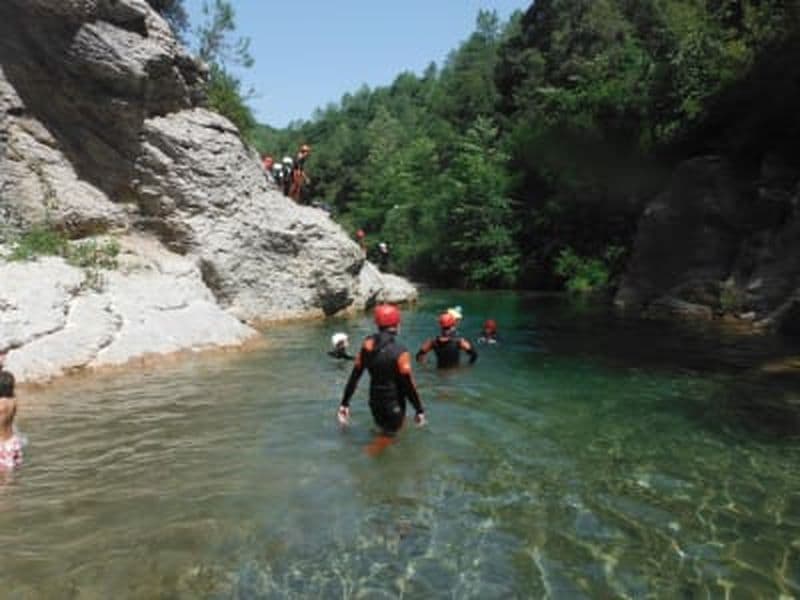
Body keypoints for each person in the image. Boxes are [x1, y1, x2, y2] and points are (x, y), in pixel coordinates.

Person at [337, 304, 426, 434]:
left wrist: (345, 403)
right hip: (393, 402)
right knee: (388, 438)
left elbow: (355, 375)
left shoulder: (367, 345)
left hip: (374, 402)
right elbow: (409, 385)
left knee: (386, 431)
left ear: (377, 324)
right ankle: (368, 452)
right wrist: (419, 410)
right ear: (397, 325)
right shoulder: (400, 352)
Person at [0, 370, 23, 471]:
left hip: (2, 446)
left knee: (3, 479)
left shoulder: (1, 405)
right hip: (13, 442)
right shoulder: (14, 401)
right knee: (12, 474)